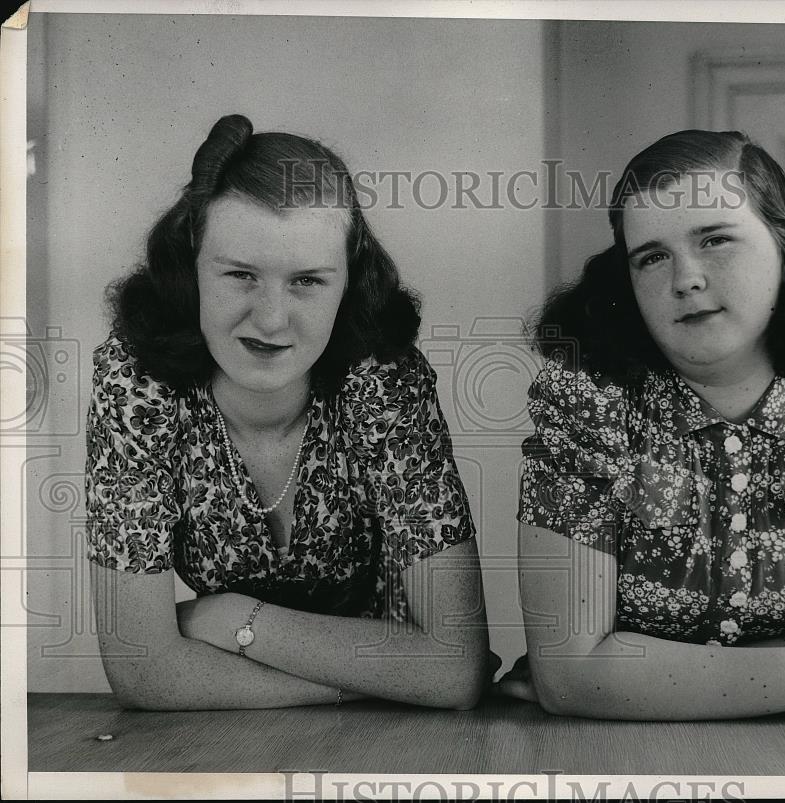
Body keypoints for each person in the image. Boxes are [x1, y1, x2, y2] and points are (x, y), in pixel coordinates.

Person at [496, 130, 785, 719]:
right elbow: (570, 677)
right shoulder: (586, 405)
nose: (685, 279)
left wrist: (637, 672)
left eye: (716, 240)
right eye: (652, 257)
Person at [86, 114, 493, 711]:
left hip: (396, 743)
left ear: (348, 286)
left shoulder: (382, 382)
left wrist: (231, 619)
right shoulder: (136, 384)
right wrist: (385, 679)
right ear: (190, 272)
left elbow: (456, 668)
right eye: (240, 275)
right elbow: (142, 672)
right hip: (247, 738)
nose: (271, 319)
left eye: (307, 280)